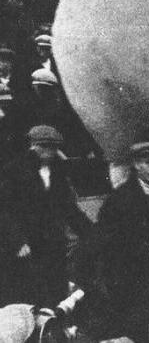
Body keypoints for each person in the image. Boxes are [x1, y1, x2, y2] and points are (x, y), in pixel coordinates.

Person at [82, 141, 149, 342]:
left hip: (144, 272)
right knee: (119, 324)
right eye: (148, 163)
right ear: (136, 164)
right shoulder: (121, 197)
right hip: (121, 274)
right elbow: (105, 238)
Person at [0, 125, 92, 308]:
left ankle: (54, 320)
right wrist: (17, 241)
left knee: (56, 291)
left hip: (53, 243)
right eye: (44, 146)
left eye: (53, 147)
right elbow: (4, 209)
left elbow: (68, 208)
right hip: (26, 245)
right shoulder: (14, 171)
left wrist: (91, 232)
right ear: (33, 146)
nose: (49, 152)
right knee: (29, 295)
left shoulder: (58, 173)